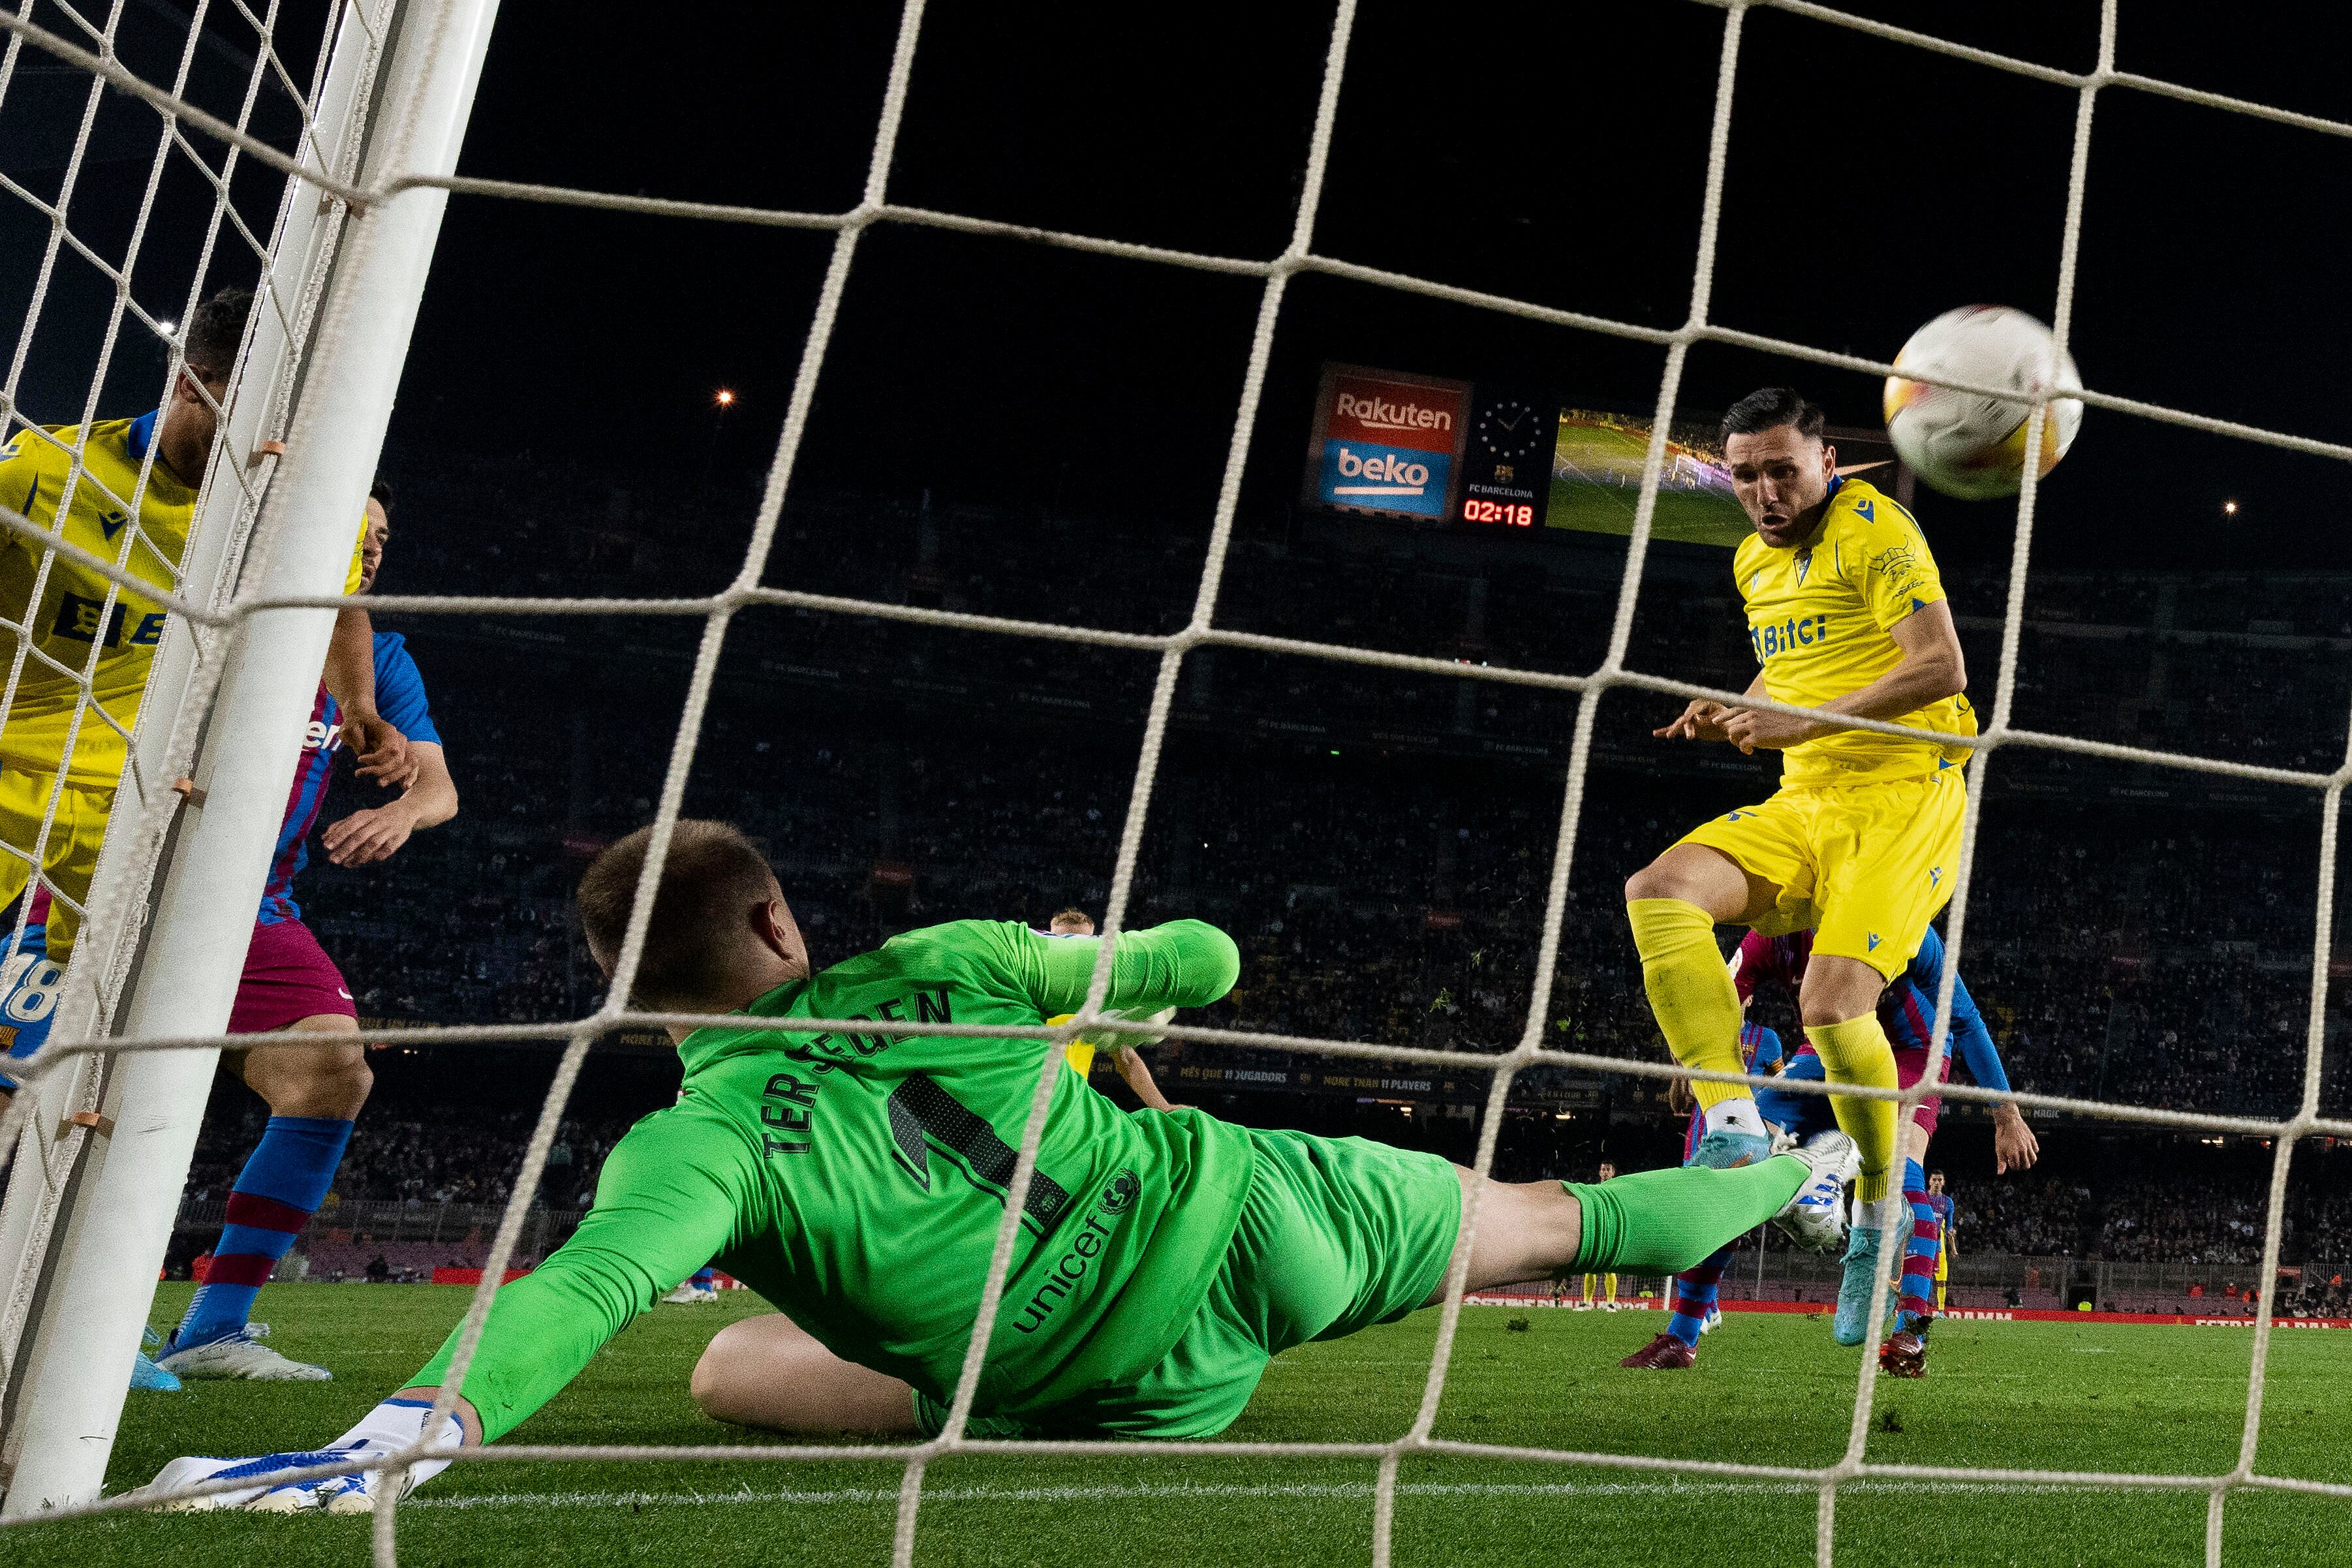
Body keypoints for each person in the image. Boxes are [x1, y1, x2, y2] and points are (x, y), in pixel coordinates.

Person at [146, 819, 1854, 1511]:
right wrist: (1094, 963)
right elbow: (1209, 962)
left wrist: (419, 1421)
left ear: (631, 996)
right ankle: (1805, 1168)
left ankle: (995, 1373)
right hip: (1264, 1216)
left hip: (1111, 1386)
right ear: (773, 919)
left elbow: (582, 1284)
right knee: (1568, 1218)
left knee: (730, 1358)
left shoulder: (698, 1137)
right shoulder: (953, 967)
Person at [0, 287, 407, 1112]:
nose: (268, 447)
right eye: (249, 416)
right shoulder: (45, 474)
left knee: (72, 1062)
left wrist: (359, 706)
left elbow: (338, 606)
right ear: (192, 382)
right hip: (12, 769)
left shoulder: (276, 509)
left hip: (125, 812)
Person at [1623, 388, 1973, 1246]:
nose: (1766, 492)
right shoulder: (1752, 560)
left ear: (1826, 461)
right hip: (1806, 797)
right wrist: (1731, 706)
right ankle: (1737, 1127)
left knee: (1828, 1004)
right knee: (1658, 887)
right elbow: (1793, 673)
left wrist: (1802, 722)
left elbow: (1942, 667)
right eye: (1746, 475)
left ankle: (1881, 1193)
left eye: (1784, 470)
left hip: (1903, 794)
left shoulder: (1877, 528)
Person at [157, 487, 456, 1381]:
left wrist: (405, 810)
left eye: (383, 537)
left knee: (335, 1070)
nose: (369, 549)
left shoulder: (386, 658)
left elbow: (441, 788)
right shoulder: (223, 614)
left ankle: (213, 1326)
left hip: (256, 909)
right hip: (132, 883)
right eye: (354, 531)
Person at [1739, 924, 2039, 1374]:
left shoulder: (1899, 916)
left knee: (1902, 1167)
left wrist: (2006, 1113)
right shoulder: (1779, 921)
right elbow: (1727, 991)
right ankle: (1689, 1327)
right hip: (1831, 1043)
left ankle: (1910, 1331)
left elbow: (1965, 1018)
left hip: (1911, 1049)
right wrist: (1700, 1054)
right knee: (1747, 1138)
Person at [1621, 1017, 1853, 1370]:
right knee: (1706, 1210)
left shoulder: (1767, 1039)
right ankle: (1689, 1329)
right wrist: (1683, 1072)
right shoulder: (1703, 1026)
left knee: (1896, 1170)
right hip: (1713, 1134)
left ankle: (1900, 1310)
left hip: (1877, 1051)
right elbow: (1678, 1101)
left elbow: (1779, 1076)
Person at [1041, 906, 1177, 1112]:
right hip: (1016, 1105)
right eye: (1066, 941)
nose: (1076, 949)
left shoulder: (1100, 1002)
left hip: (1066, 1111)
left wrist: (1164, 1107)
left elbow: (1127, 1059)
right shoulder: (1031, 988)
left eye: (1085, 943)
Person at [1578, 1162, 1623, 1309]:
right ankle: (1587, 1302)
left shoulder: (1617, 1189)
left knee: (1610, 1268)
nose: (1605, 1172)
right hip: (1598, 1230)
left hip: (1611, 1231)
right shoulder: (1595, 1190)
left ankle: (1610, 1303)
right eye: (1603, 1169)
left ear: (1613, 1172)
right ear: (1599, 1173)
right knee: (1591, 1267)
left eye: (1608, 1170)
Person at [1925, 1170, 1955, 1314]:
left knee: (1939, 1278)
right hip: (1921, 1241)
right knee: (1922, 1277)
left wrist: (1952, 1241)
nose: (1937, 1183)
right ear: (1930, 1181)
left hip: (1937, 1244)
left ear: (1943, 1183)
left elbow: (1949, 1225)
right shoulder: (1923, 1197)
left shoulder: (1948, 1202)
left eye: (1940, 1180)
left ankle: (1941, 1311)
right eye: (1934, 1180)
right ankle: (1918, 1307)